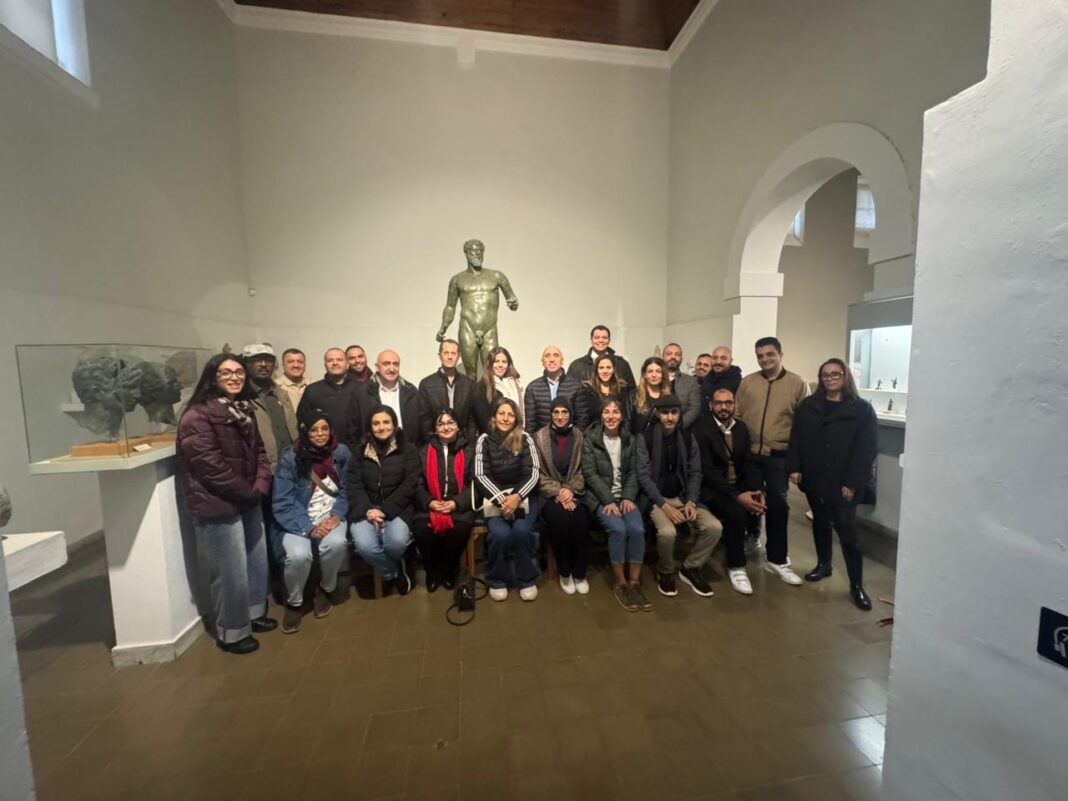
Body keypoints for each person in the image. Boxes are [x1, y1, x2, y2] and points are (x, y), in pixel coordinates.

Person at [177, 353, 276, 655]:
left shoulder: (243, 409)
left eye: (239, 373)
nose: (235, 378)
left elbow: (260, 452)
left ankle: (254, 612)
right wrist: (247, 491)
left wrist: (259, 486)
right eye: (226, 373)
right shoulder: (197, 415)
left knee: (255, 559)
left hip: (248, 497)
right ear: (213, 377)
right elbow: (209, 465)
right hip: (217, 503)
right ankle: (232, 631)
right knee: (230, 569)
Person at [787, 358, 878, 610]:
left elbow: (866, 449)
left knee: (848, 532)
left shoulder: (861, 409)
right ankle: (824, 564)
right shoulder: (809, 406)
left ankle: (856, 585)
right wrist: (794, 467)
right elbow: (797, 438)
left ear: (845, 376)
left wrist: (852, 481)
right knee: (820, 522)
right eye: (825, 375)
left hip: (843, 480)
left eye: (835, 374)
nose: (830, 378)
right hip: (815, 476)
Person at [735, 336, 809, 586]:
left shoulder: (797, 384)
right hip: (751, 454)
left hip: (779, 456)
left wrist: (797, 464)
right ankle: (752, 537)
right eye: (760, 355)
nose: (765, 359)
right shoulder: (748, 383)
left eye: (770, 354)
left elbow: (802, 426)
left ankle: (777, 559)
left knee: (778, 506)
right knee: (752, 501)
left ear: (780, 354)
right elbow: (737, 416)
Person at [271, 408, 351, 633]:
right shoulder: (290, 458)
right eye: (314, 430)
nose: (320, 434)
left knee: (335, 543)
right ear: (305, 431)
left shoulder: (341, 453)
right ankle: (295, 601)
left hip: (331, 515)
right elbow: (283, 501)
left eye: (325, 428)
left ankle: (326, 589)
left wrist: (336, 515)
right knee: (298, 555)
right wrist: (308, 527)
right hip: (298, 520)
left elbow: (348, 489)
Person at [637, 395, 722, 598]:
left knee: (714, 527)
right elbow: (643, 477)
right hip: (657, 499)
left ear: (679, 414)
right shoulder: (645, 438)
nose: (669, 417)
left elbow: (695, 472)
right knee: (667, 533)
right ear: (657, 414)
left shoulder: (687, 438)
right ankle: (666, 571)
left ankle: (691, 568)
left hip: (683, 497)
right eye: (665, 412)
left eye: (674, 412)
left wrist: (691, 500)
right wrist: (664, 505)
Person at [692, 388, 766, 595]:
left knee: (768, 503)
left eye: (728, 403)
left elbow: (749, 462)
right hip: (711, 489)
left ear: (734, 404)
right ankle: (737, 566)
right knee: (736, 512)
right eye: (718, 403)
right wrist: (737, 496)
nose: (723, 407)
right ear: (711, 405)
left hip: (738, 486)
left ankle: (767, 551)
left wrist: (756, 489)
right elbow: (707, 471)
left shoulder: (741, 428)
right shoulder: (701, 429)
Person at [582, 397, 650, 612]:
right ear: (601, 415)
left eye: (615, 412)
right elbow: (590, 474)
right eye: (607, 412)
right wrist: (608, 500)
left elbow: (634, 472)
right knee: (618, 529)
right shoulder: (590, 439)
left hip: (625, 497)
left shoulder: (630, 439)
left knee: (637, 529)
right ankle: (620, 583)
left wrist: (628, 497)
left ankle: (634, 582)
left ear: (622, 416)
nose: (611, 416)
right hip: (600, 498)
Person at [348, 405, 420, 596]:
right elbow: (354, 485)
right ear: (369, 427)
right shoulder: (360, 451)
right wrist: (368, 511)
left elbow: (410, 483)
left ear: (395, 425)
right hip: (365, 509)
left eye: (386, 422)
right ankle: (393, 573)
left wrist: (384, 510)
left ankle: (396, 562)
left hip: (398, 508)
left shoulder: (408, 449)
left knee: (395, 543)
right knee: (365, 547)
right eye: (376, 423)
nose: (381, 427)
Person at [474, 398, 541, 601]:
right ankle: (497, 580)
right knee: (501, 534)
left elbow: (533, 473)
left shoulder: (526, 438)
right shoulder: (484, 440)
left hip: (524, 496)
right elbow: (480, 475)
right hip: (494, 499)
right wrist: (503, 501)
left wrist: (517, 497)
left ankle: (527, 579)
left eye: (511, 414)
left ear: (516, 418)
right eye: (501, 413)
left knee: (521, 531)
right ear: (494, 417)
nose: (505, 418)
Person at [532, 398, 592, 595]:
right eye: (556, 412)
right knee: (560, 521)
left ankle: (580, 573)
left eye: (564, 412)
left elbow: (583, 469)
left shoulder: (580, 436)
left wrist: (570, 490)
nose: (560, 416)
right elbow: (537, 473)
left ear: (570, 414)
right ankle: (564, 572)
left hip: (575, 493)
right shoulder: (539, 437)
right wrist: (559, 491)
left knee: (581, 520)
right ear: (551, 414)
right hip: (549, 495)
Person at [435, 239, 520, 377]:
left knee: (492, 372)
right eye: (473, 252)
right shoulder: (457, 279)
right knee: (470, 373)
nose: (477, 254)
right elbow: (450, 307)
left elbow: (511, 299)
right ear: (466, 254)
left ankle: (492, 392)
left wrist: (513, 303)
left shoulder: (496, 276)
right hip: (467, 327)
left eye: (480, 252)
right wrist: (443, 328)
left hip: (489, 328)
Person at [412, 408, 474, 592]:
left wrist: (457, 503)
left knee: (459, 531)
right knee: (421, 531)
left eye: (450, 423)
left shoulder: (470, 449)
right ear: (435, 428)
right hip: (430, 505)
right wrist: (429, 502)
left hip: (459, 506)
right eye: (441, 424)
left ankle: (447, 570)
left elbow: (476, 484)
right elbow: (416, 484)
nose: (446, 427)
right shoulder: (424, 451)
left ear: (458, 426)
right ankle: (431, 570)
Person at [242, 343, 297, 470]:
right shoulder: (240, 397)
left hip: (290, 466)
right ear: (246, 364)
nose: (263, 364)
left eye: (268, 360)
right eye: (257, 360)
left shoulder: (281, 394)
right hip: (261, 469)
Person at [351, 350, 422, 445]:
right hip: (373, 450)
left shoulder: (411, 391)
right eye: (386, 364)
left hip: (406, 449)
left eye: (395, 364)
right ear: (377, 367)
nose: (392, 369)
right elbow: (353, 429)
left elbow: (420, 426)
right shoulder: (362, 393)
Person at [298, 348, 361, 448]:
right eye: (330, 360)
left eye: (339, 360)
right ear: (325, 365)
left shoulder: (361, 389)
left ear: (347, 364)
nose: (335, 363)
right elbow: (302, 421)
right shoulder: (312, 390)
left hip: (356, 450)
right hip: (323, 452)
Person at [418, 338, 477, 442]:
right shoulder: (426, 384)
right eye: (446, 353)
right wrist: (432, 442)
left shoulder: (469, 384)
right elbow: (424, 419)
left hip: (463, 443)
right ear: (439, 355)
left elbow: (472, 418)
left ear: (459, 356)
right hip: (436, 442)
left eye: (453, 353)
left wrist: (469, 442)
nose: (450, 357)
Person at [524, 345, 589, 433]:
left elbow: (582, 421)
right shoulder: (533, 388)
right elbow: (530, 425)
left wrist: (576, 439)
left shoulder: (576, 386)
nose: (552, 359)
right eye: (547, 356)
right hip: (542, 439)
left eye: (556, 355)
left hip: (569, 438)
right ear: (542, 362)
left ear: (562, 360)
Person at [472, 346, 523, 435]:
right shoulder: (481, 387)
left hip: (516, 435)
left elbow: (521, 412)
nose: (500, 365)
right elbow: (483, 420)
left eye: (504, 362)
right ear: (490, 363)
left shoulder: (516, 384)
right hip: (494, 438)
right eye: (496, 361)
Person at [566, 324, 636, 388]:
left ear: (609, 340)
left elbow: (632, 392)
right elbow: (568, 391)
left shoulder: (622, 364)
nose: (600, 340)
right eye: (597, 337)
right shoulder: (576, 366)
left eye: (604, 338)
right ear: (591, 340)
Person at [578, 353, 635, 427]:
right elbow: (583, 418)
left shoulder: (623, 389)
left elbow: (627, 416)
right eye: (601, 368)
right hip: (593, 432)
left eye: (608, 367)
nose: (605, 371)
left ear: (614, 369)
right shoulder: (587, 391)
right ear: (596, 370)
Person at [661, 343, 702, 429]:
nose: (673, 357)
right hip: (657, 429)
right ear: (663, 357)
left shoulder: (691, 381)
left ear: (681, 359)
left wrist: (678, 426)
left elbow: (694, 408)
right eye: (669, 354)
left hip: (682, 429)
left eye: (677, 354)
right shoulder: (655, 379)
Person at [699, 346, 743, 418]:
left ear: (730, 361)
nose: (718, 362)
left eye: (723, 358)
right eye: (715, 358)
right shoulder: (707, 379)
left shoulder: (739, 382)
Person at [632, 356, 668, 435]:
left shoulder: (669, 397)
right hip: (639, 440)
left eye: (658, 371)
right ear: (645, 375)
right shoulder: (633, 396)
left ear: (663, 374)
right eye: (650, 371)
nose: (654, 375)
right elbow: (627, 424)